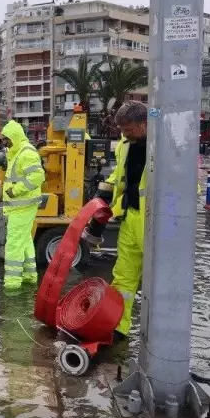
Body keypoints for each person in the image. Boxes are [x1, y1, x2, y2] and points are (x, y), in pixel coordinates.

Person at [91, 101, 147, 338]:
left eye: (129, 129)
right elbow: (120, 175)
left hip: (154, 222)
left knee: (159, 279)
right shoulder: (124, 145)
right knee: (123, 277)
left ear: (144, 124)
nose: (124, 134)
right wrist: (104, 193)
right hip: (130, 217)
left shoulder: (166, 145)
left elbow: (187, 185)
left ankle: (159, 337)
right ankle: (119, 327)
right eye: (122, 130)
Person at [0, 120, 46, 294]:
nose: (5, 143)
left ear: (15, 136)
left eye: (7, 139)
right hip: (20, 207)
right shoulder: (17, 151)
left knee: (14, 244)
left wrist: (16, 190)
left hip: (22, 207)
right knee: (25, 241)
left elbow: (38, 176)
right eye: (4, 140)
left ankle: (12, 284)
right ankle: (29, 276)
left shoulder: (26, 153)